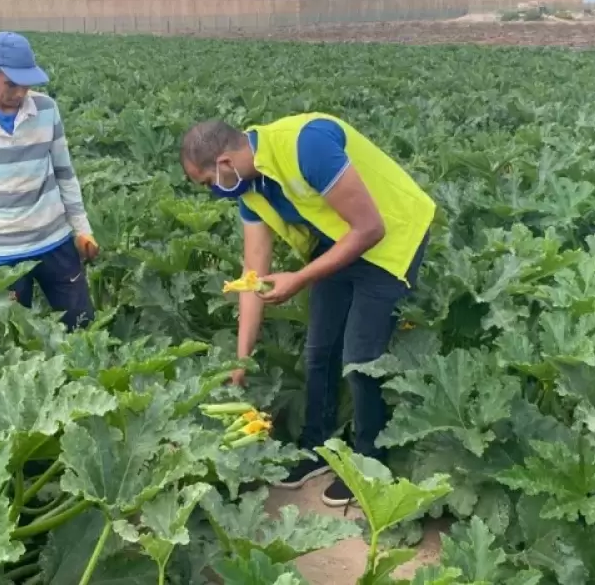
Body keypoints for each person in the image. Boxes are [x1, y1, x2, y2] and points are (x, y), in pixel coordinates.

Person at [180, 112, 435, 507]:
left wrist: (300, 278)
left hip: (390, 234)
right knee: (319, 351)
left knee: (360, 359)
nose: (213, 191)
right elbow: (253, 274)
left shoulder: (304, 145)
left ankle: (369, 464)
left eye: (208, 182)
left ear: (225, 163)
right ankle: (317, 447)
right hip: (339, 239)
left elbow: (370, 228)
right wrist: (240, 360)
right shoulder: (248, 188)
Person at [0, 31, 99, 332]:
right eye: (10, 84)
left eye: (25, 84)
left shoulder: (46, 109)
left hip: (55, 240)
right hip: (0, 251)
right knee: (13, 340)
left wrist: (82, 230)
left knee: (82, 328)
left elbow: (65, 173)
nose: (19, 93)